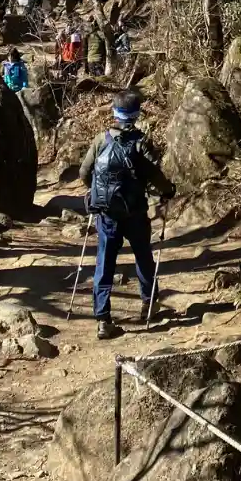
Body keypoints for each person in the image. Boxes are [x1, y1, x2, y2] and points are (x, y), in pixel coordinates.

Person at [80, 90, 174, 339]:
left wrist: (97, 191)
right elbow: (155, 176)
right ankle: (149, 304)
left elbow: (84, 172)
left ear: (114, 112)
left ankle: (103, 319)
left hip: (107, 212)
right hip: (135, 212)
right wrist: (168, 191)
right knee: (143, 256)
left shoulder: (101, 140)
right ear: (136, 114)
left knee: (104, 262)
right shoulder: (142, 142)